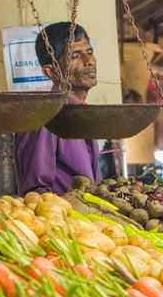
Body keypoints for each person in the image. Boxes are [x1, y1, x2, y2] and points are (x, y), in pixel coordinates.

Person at [16, 22, 100, 194]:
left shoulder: (84, 113)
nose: (89, 61)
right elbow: (36, 193)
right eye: (75, 56)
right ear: (50, 72)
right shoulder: (44, 118)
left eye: (89, 52)